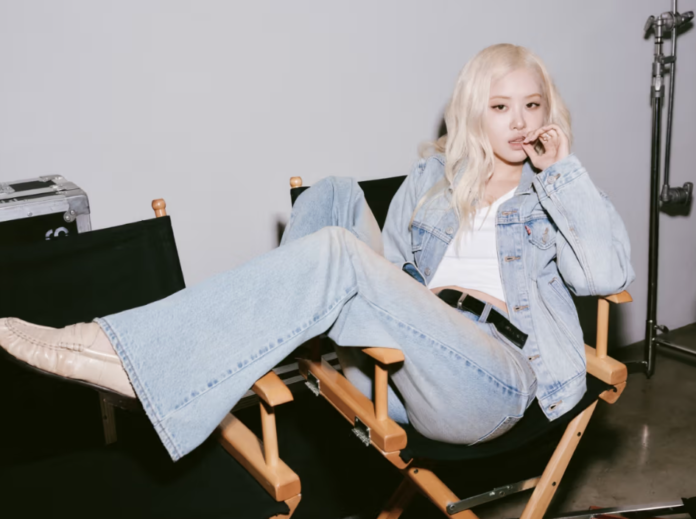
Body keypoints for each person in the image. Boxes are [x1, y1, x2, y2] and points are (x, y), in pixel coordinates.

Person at [0, 43, 635, 462]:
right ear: (475, 113)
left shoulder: (554, 195)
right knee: (333, 192)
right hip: (404, 362)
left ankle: (130, 356)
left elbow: (603, 275)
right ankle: (265, 344)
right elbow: (394, 268)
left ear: (550, 113)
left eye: (532, 105)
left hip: (494, 377)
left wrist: (563, 173)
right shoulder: (436, 179)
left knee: (338, 252)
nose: (520, 122)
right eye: (501, 107)